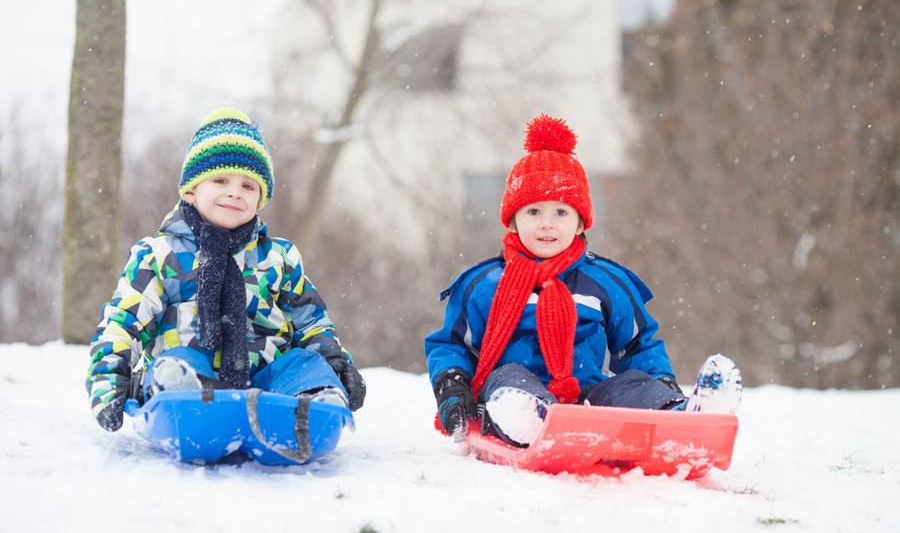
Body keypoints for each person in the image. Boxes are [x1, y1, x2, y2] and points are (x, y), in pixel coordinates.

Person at [424, 114, 742, 446]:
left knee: (628, 384)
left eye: (561, 213)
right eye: (534, 212)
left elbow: (637, 343)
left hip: (588, 398)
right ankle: (530, 421)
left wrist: (659, 382)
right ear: (513, 220)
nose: (547, 224)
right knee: (508, 379)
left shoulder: (604, 281)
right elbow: (452, 344)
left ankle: (682, 415)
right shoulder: (485, 284)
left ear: (579, 224)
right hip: (508, 396)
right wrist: (453, 385)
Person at [87, 108, 366, 433]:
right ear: (191, 190)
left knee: (301, 364)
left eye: (248, 186)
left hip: (265, 385)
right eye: (221, 180)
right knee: (177, 362)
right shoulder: (159, 255)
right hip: (190, 371)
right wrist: (109, 378)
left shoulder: (279, 258)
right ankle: (179, 392)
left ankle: (315, 399)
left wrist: (333, 361)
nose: (235, 192)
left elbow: (311, 323)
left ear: (260, 199)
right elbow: (124, 322)